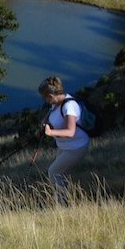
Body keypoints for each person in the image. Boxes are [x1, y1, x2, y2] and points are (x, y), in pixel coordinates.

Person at [40, 76, 91, 207]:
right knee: (60, 173)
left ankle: (62, 206)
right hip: (64, 146)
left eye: (45, 97)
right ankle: (66, 198)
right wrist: (45, 122)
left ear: (51, 95)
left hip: (76, 147)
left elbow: (70, 131)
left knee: (53, 171)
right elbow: (51, 115)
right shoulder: (56, 103)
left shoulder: (69, 106)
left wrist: (51, 133)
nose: (45, 100)